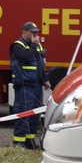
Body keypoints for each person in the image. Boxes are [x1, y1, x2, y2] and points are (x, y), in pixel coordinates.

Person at [10, 21, 50, 149]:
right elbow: (26, 58)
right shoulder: (17, 45)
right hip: (25, 85)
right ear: (25, 32)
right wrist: (33, 46)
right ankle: (19, 142)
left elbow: (41, 65)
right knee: (23, 112)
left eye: (36, 33)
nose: (35, 35)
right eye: (32, 32)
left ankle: (30, 140)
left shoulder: (36, 46)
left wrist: (45, 79)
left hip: (37, 85)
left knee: (35, 115)